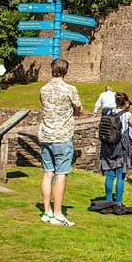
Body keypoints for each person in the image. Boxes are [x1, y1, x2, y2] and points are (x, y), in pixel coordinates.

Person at [38, 59, 82, 226]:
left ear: (51, 70)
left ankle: (46, 211)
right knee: (61, 175)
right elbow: (78, 109)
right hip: (62, 135)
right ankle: (58, 214)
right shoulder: (70, 89)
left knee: (48, 173)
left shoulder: (43, 89)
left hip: (45, 134)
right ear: (66, 72)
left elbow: (44, 105)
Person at [100, 93, 132, 205]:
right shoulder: (127, 114)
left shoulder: (109, 112)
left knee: (110, 173)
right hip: (121, 146)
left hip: (108, 146)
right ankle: (118, 202)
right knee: (121, 174)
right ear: (125, 103)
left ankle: (108, 200)